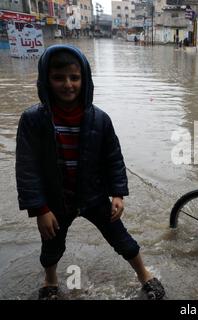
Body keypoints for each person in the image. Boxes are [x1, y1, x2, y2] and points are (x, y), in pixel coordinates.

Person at [15, 44, 165, 300]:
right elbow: (27, 168)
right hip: (55, 201)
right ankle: (50, 281)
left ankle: (145, 276)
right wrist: (40, 210)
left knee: (122, 240)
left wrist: (118, 194)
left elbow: (113, 158)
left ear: (85, 80)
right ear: (45, 80)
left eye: (74, 78)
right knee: (51, 247)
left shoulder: (99, 119)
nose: (68, 84)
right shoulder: (33, 120)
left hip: (94, 196)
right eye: (58, 78)